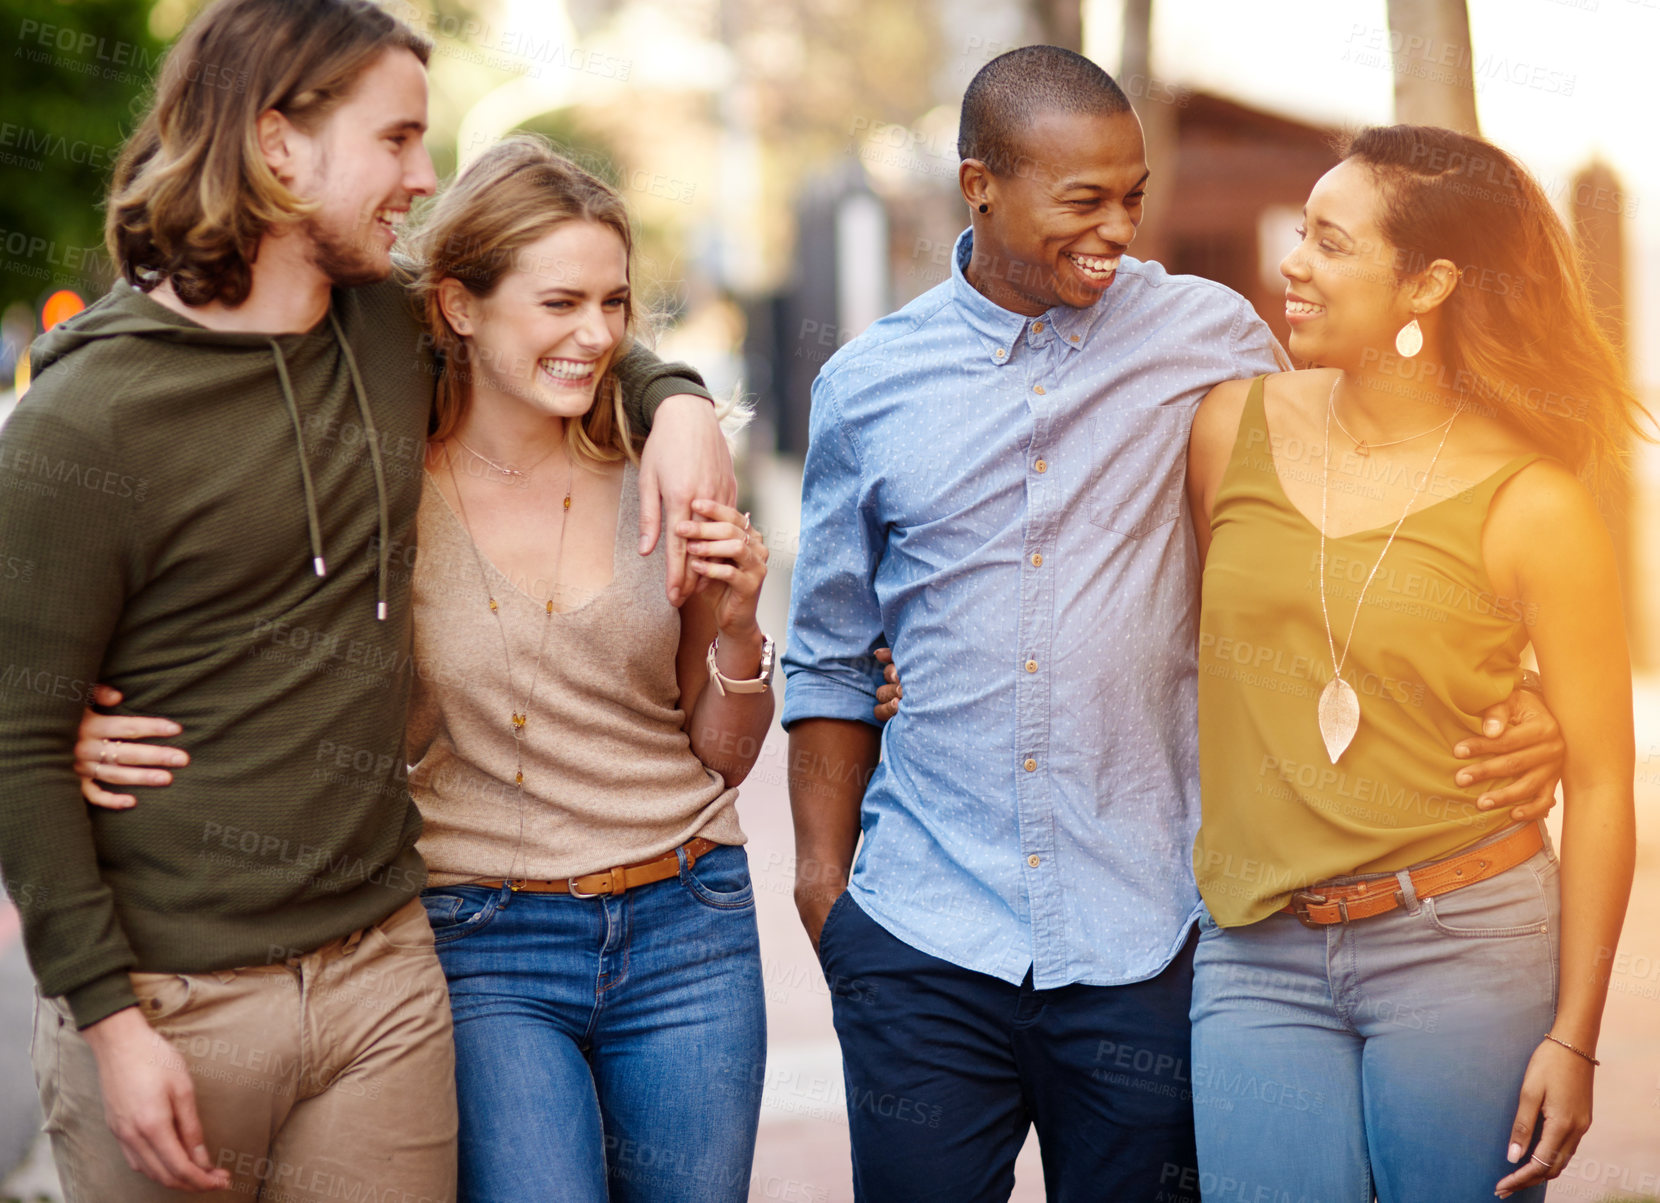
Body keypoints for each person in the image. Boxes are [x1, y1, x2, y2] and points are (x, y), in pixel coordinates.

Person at [785, 46, 1563, 1203]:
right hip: (923, 936)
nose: (1117, 229)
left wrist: (1527, 684)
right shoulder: (865, 386)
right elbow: (832, 652)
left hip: (1149, 931)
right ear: (979, 184)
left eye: (1133, 197)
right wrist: (824, 894)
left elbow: (1355, 539)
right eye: (1083, 200)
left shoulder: (1216, 342)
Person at [0, 0, 730, 1197]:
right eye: (395, 141)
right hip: (168, 999)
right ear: (278, 145)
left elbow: (554, 309)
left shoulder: (391, 328)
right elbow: (19, 742)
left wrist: (682, 400)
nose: (423, 176)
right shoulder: (88, 417)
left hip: (387, 976)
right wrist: (110, 1027)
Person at [1183, 125, 1640, 1202]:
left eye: (1332, 244)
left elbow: (1605, 780)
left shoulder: (1536, 503)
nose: (1292, 262)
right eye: (1302, 233)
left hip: (1465, 943)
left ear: (1427, 282)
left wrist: (1574, 1038)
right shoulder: (1225, 425)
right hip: (1255, 952)